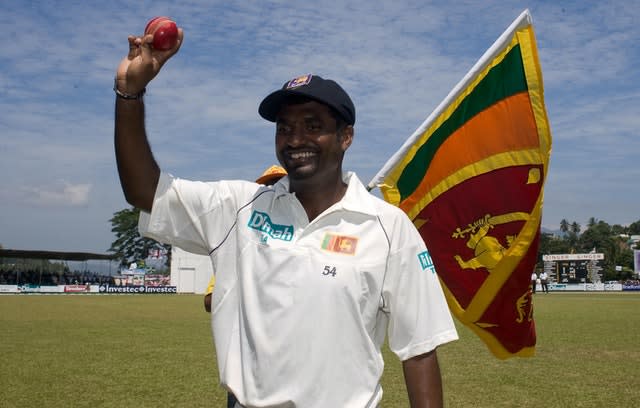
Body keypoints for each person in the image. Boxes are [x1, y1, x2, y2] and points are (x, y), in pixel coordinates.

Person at [114, 27, 458, 408]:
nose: (295, 140)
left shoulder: (389, 228)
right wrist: (130, 93)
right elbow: (144, 191)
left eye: (313, 126)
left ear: (346, 137)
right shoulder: (238, 207)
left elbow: (419, 350)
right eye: (285, 128)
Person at [203, 165, 287, 408]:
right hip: (247, 363)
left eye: (279, 183)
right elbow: (209, 300)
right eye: (267, 185)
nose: (272, 189)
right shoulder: (240, 246)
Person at [203, 165, 288, 314]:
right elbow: (209, 302)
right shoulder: (241, 241)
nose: (275, 189)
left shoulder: (308, 233)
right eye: (269, 185)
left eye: (282, 183)